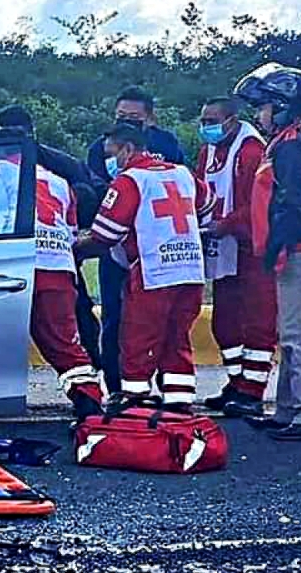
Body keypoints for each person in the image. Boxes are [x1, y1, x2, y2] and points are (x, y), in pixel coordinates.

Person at [234, 63, 301, 441]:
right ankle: (288, 410)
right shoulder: (289, 142)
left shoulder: (293, 146)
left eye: (263, 107)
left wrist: (278, 245)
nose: (258, 114)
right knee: (291, 333)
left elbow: (293, 201)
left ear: (281, 107)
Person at [75, 122, 214, 411]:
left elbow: (105, 235)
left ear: (128, 148)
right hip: (189, 271)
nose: (109, 162)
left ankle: (135, 401)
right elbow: (207, 204)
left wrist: (71, 248)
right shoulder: (182, 173)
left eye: (111, 153)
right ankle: (179, 403)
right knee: (177, 338)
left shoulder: (130, 180)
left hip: (153, 271)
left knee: (138, 337)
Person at [0, 106, 104, 419]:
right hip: (58, 267)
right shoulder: (58, 179)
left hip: (10, 267)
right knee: (65, 345)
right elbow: (70, 230)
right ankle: (89, 404)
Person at [86, 87, 187, 395]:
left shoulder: (167, 144)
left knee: (168, 325)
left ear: (150, 118)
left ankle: (171, 397)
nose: (127, 122)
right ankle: (119, 390)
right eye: (121, 117)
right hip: (118, 247)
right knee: (115, 320)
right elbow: (94, 191)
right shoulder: (100, 148)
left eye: (134, 118)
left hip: (159, 250)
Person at [194, 96, 272, 418]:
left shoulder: (252, 150)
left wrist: (226, 225)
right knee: (225, 322)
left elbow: (258, 203)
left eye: (212, 121)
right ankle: (236, 381)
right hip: (223, 246)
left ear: (232, 120)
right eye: (203, 121)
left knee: (257, 321)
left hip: (252, 248)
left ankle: (253, 390)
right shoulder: (207, 152)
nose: (206, 127)